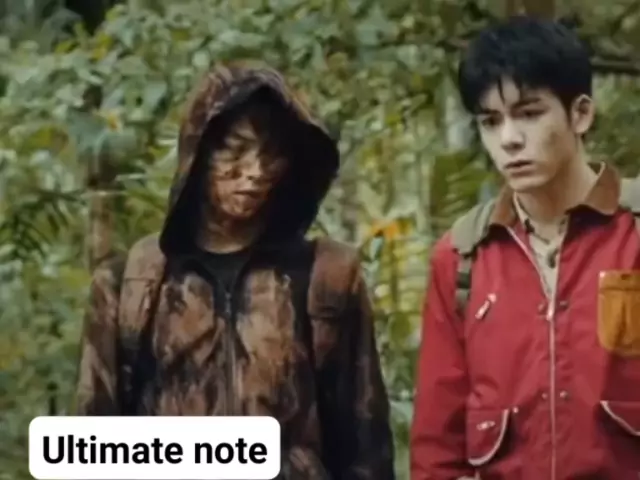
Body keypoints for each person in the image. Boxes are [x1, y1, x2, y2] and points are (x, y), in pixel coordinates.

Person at [75, 61, 395, 479]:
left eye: (272, 153)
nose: (256, 171)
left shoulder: (325, 278)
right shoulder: (130, 284)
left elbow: (366, 446)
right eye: (234, 149)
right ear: (198, 153)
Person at [410, 15, 640, 480]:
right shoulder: (462, 259)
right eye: (490, 121)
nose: (509, 139)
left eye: (529, 113)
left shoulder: (632, 234)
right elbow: (438, 447)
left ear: (580, 114)